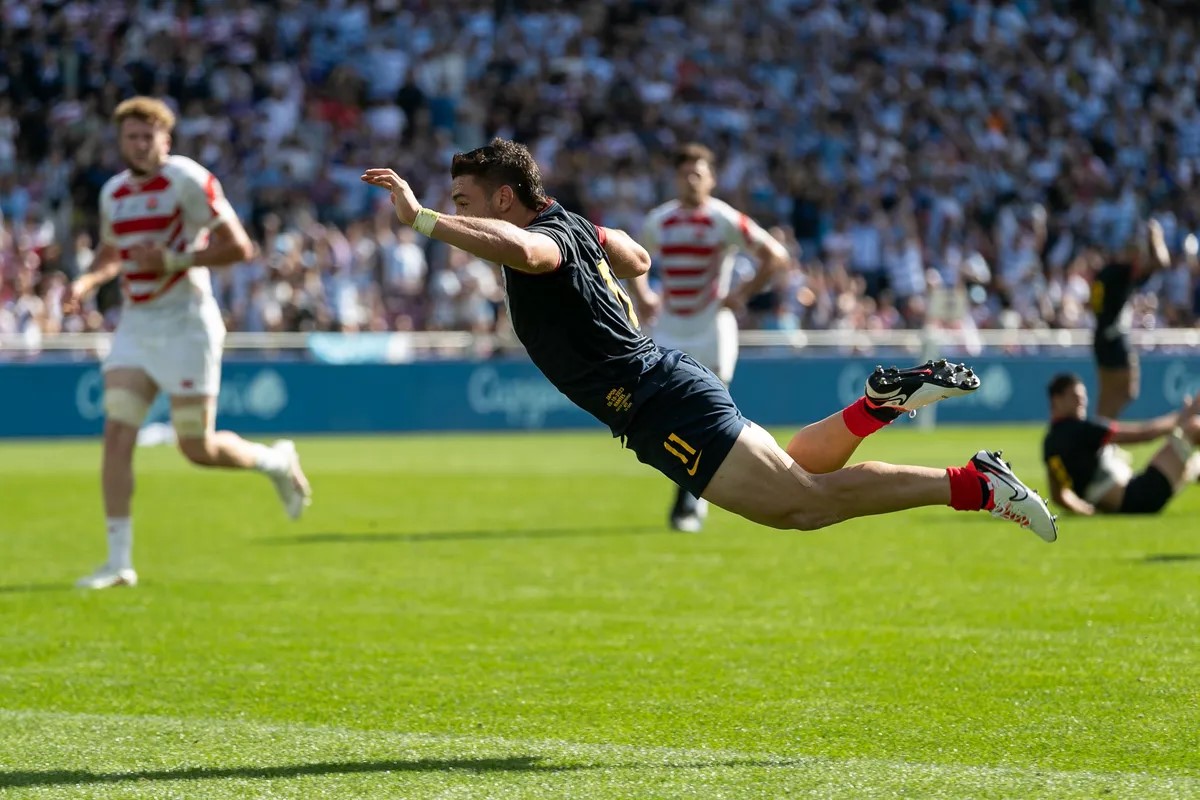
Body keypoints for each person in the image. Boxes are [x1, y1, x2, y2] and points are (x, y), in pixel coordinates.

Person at [360, 138, 1058, 542]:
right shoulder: (574, 223)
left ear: (504, 198)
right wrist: (615, 260)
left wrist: (422, 220)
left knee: (801, 508)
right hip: (667, 378)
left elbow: (530, 254)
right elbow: (636, 257)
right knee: (800, 477)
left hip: (657, 401)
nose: (460, 215)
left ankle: (974, 485)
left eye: (464, 202)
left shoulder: (537, 239)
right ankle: (876, 407)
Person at [65, 97, 312, 590]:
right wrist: (87, 282)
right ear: (120, 142)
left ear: (166, 139)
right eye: (131, 137)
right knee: (117, 436)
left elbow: (240, 247)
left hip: (187, 322)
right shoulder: (113, 193)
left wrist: (175, 260)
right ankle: (118, 563)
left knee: (196, 448)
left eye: (148, 136)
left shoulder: (188, 180)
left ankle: (275, 461)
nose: (140, 145)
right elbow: (114, 252)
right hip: (137, 323)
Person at [631, 142, 791, 532]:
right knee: (668, 418)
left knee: (707, 415)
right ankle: (692, 494)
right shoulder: (660, 220)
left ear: (711, 178)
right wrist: (644, 295)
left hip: (711, 328)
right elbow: (632, 258)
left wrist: (742, 294)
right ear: (675, 177)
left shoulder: (723, 219)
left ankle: (687, 499)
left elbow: (775, 255)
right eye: (685, 172)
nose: (691, 179)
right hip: (670, 328)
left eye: (698, 172)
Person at [1043, 373, 1200, 515]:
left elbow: (1058, 495)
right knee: (1192, 428)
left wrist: (1087, 510)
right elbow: (1144, 434)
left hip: (1126, 502)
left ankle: (1194, 468)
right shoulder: (1082, 430)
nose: (1082, 401)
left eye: (1083, 396)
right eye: (1075, 396)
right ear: (1057, 399)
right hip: (1140, 495)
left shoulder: (1049, 443)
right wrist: (1180, 418)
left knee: (1191, 461)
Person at [1090, 219, 1170, 419]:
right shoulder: (1122, 272)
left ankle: (1099, 439)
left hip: (1101, 335)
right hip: (1115, 337)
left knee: (1108, 395)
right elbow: (1162, 263)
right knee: (1126, 391)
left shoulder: (1106, 272)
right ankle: (1102, 437)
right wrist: (1156, 238)